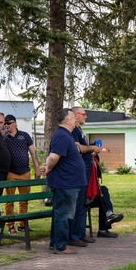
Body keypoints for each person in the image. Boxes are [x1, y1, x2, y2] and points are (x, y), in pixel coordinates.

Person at [40, 108, 87, 254]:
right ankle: (60, 246)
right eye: (73, 118)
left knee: (61, 213)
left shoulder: (65, 135)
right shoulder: (62, 135)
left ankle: (56, 243)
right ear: (67, 120)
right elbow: (54, 156)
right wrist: (48, 167)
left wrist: (48, 167)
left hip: (68, 182)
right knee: (64, 214)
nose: (76, 120)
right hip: (65, 183)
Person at [67, 107, 101, 247]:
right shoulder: (73, 130)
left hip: (86, 168)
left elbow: (83, 147)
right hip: (79, 170)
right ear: (75, 116)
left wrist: (91, 149)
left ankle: (81, 234)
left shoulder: (79, 130)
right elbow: (78, 148)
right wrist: (91, 148)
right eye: (84, 114)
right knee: (79, 203)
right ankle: (74, 235)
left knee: (84, 203)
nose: (86, 117)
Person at [2, 114, 41, 234]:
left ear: (15, 123)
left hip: (25, 172)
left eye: (9, 123)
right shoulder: (3, 138)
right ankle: (10, 225)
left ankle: (22, 224)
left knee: (24, 200)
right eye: (5, 123)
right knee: (9, 200)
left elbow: (33, 154)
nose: (6, 125)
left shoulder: (25, 136)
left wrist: (37, 169)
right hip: (10, 173)